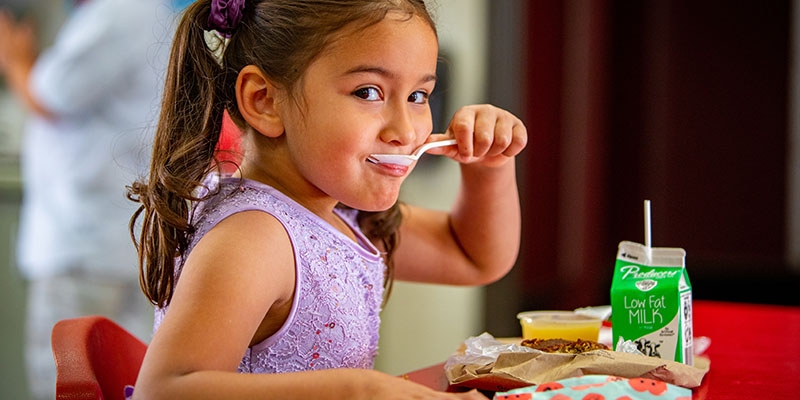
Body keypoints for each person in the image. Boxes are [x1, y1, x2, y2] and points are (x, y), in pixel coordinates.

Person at [127, 0, 527, 398]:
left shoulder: (331, 211)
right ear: (264, 100)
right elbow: (163, 390)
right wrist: (359, 390)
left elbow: (471, 256)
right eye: (368, 92)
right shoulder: (255, 237)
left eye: (419, 96)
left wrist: (488, 166)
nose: (406, 131)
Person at [0, 1, 185, 398]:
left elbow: (48, 95)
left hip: (85, 241)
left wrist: (13, 55)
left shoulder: (117, 13)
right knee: (123, 380)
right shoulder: (151, 13)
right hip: (122, 238)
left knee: (68, 385)